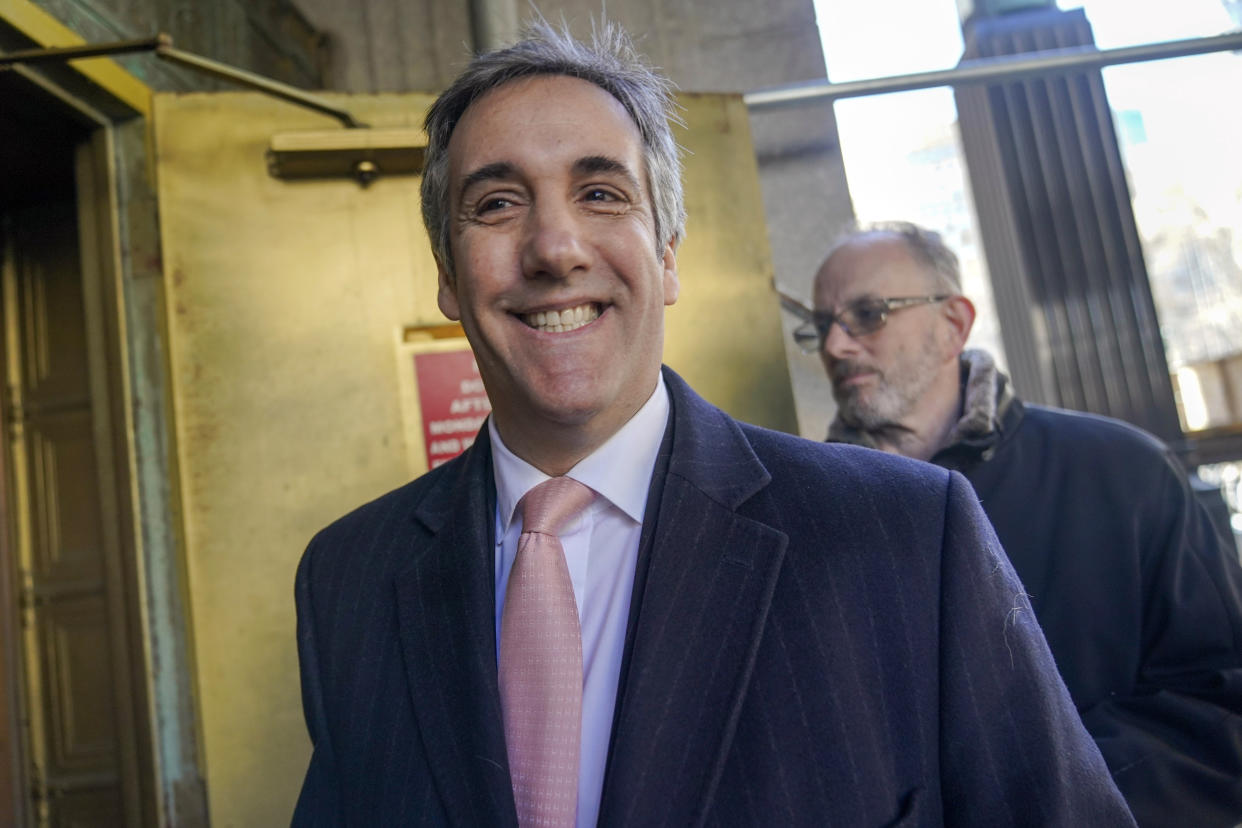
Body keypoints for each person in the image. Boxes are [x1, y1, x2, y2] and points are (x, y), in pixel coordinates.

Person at [291, 25, 1135, 827]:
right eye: (499, 203)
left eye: (600, 192)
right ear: (448, 274)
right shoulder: (349, 581)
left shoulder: (907, 536)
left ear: (666, 257)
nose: (555, 247)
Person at [806, 220, 1242, 827]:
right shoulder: (807, 518)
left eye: (869, 314)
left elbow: (1222, 704)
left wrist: (1050, 803)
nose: (836, 347)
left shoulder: (1124, 472)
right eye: (822, 325)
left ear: (954, 323)